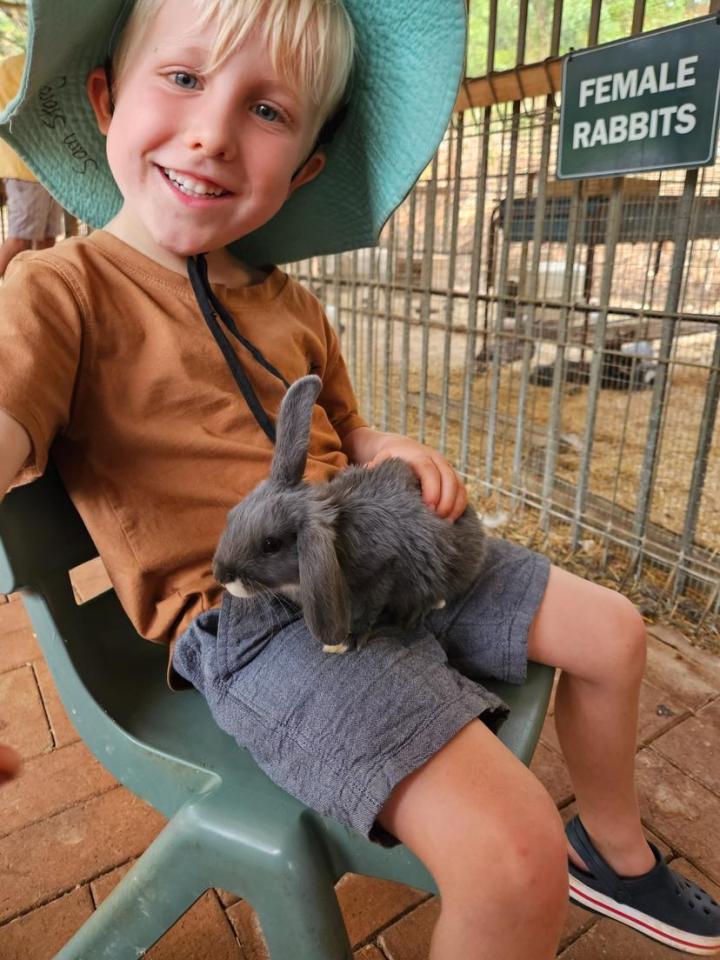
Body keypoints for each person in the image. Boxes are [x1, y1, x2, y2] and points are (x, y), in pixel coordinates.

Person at [0, 2, 717, 957]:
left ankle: (615, 852)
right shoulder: (61, 292)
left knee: (615, 631)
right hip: (253, 622)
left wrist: (388, 450)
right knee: (510, 853)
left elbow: (347, 428)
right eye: (181, 79)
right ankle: (554, 853)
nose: (213, 132)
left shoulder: (292, 303)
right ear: (105, 97)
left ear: (304, 167)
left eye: (267, 111)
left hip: (380, 554)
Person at [0, 54, 65, 277]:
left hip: (50, 169)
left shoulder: (49, 64)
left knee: (47, 240)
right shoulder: (13, 67)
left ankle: (38, 292)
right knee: (19, 240)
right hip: (24, 166)